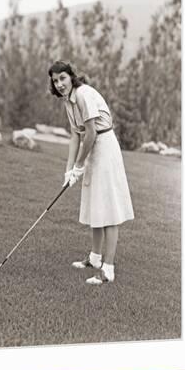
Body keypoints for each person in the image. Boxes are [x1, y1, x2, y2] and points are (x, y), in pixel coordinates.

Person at [48, 60, 134, 285]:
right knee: (95, 202)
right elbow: (75, 135)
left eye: (63, 78)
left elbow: (91, 133)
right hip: (93, 146)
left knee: (108, 207)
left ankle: (108, 269)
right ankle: (95, 258)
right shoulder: (68, 101)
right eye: (55, 80)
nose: (59, 84)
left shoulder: (83, 94)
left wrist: (79, 165)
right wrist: (69, 170)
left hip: (104, 147)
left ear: (71, 77)